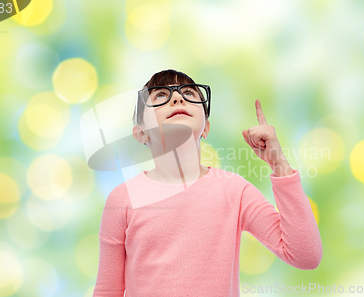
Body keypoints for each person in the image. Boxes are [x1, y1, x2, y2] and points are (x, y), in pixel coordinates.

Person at [92, 69, 322, 297]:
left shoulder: (234, 191)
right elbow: (107, 290)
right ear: (141, 133)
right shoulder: (123, 199)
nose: (177, 97)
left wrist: (278, 163)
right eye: (161, 95)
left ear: (206, 128)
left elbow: (306, 256)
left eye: (190, 93)